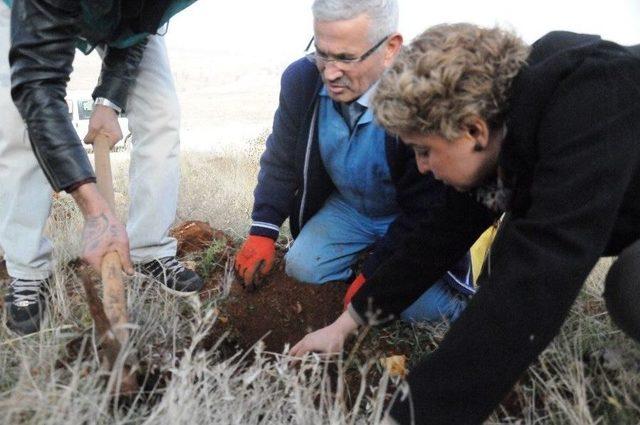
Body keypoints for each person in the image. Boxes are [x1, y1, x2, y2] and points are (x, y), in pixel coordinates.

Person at [295, 23, 640, 424]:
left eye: (425, 151)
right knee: (501, 263)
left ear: (473, 129)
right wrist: (347, 322)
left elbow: (533, 284)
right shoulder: (514, 117)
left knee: (631, 285)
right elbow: (441, 231)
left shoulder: (589, 107)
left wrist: (410, 416)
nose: (422, 167)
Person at [234, 0, 476, 326]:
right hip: (350, 207)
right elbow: (280, 158)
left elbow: (428, 206)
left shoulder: (419, 99)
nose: (330, 72)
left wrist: (376, 277)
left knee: (420, 310)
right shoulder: (302, 81)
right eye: (322, 52)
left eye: (347, 58)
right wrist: (263, 229)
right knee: (303, 268)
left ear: (390, 48)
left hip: (407, 214)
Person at [1, 0, 204, 335]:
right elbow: (37, 86)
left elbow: (140, 25)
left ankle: (150, 248)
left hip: (121, 13)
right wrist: (95, 210)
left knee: (160, 112)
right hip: (27, 10)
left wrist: (108, 102)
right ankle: (28, 270)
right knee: (13, 121)